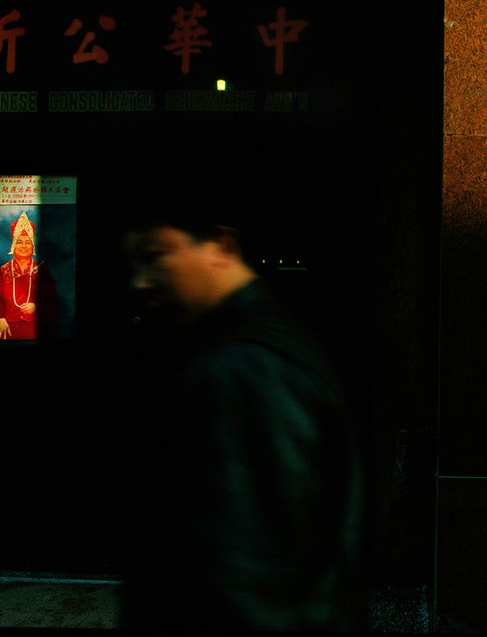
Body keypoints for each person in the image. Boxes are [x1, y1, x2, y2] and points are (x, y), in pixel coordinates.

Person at [116, 202, 367, 632]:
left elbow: (248, 583)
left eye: (155, 256)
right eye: (134, 263)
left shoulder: (244, 370)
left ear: (220, 245)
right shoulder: (262, 341)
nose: (139, 282)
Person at [0, 210, 59, 340]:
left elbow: (51, 298)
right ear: (13, 245)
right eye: (19, 242)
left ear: (33, 246)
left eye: (27, 242)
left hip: (34, 325)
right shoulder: (3, 270)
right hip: (6, 325)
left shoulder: (41, 270)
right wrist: (1, 319)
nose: (23, 246)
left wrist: (36, 306)